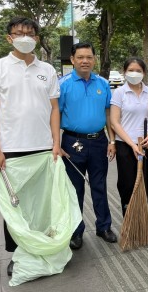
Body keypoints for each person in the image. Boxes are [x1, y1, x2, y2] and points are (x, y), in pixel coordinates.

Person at [0, 16, 61, 276]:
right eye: (19, 32)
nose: (25, 37)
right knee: (15, 204)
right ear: (9, 37)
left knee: (42, 202)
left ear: (37, 38)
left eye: (30, 33)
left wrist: (56, 143)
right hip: (11, 149)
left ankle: (40, 247)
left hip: (44, 148)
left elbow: (54, 109)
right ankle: (18, 253)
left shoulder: (47, 70)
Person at [58, 42, 117, 250]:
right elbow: (54, 114)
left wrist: (111, 141)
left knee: (100, 185)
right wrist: (56, 144)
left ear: (94, 59)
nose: (85, 61)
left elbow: (108, 114)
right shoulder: (63, 84)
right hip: (72, 142)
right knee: (75, 189)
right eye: (80, 57)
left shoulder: (102, 83)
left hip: (99, 141)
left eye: (89, 57)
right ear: (72, 59)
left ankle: (104, 227)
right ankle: (76, 232)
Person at [110, 57, 148, 215]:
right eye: (131, 70)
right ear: (124, 72)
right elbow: (114, 122)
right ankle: (129, 217)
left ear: (144, 73)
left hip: (146, 145)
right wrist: (131, 144)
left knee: (145, 182)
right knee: (127, 183)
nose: (134, 73)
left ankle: (141, 217)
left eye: (138, 70)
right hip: (125, 145)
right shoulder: (119, 93)